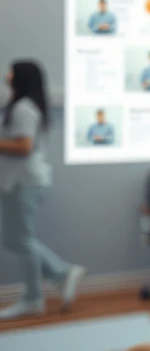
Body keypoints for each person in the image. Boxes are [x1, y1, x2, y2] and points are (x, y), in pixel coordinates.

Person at [0, 60, 86, 320]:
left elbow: (24, 147)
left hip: (23, 182)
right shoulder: (20, 106)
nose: (7, 75)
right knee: (17, 239)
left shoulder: (24, 109)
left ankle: (34, 297)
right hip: (19, 181)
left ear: (21, 77)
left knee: (20, 239)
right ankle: (61, 275)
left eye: (11, 71)